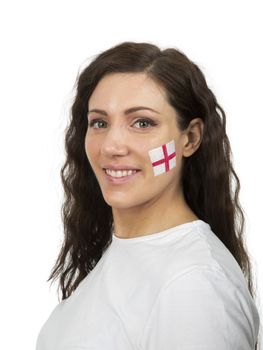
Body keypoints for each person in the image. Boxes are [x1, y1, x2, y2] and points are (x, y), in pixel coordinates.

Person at [35, 41, 260, 349]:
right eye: (99, 122)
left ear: (190, 138)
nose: (111, 146)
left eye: (142, 123)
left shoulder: (195, 285)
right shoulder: (120, 255)